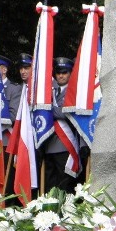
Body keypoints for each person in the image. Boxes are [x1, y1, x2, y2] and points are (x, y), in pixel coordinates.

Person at [42, 57, 80, 193]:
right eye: (58, 72)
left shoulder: (74, 92)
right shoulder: (48, 90)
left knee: (65, 184)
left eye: (64, 72)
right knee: (50, 184)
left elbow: (68, 113)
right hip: (48, 142)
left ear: (70, 73)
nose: (61, 75)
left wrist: (47, 110)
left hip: (65, 144)